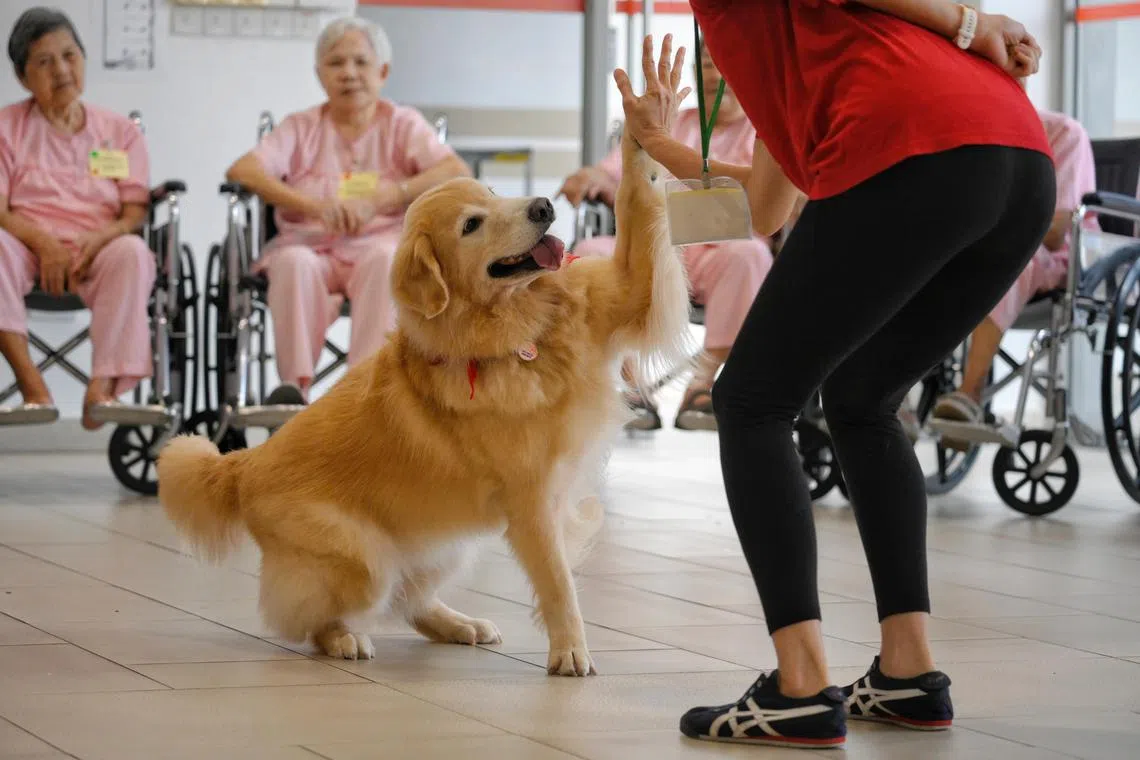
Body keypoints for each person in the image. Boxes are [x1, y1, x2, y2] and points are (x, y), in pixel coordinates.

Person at [614, 0, 1055, 748]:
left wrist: (971, 24)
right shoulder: (788, 41)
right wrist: (658, 143)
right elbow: (762, 205)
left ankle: (800, 685)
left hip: (914, 145)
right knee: (861, 399)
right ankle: (909, 675)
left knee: (751, 399)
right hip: (1012, 159)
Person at [224, 16, 470, 403]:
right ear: (320, 75)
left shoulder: (401, 123)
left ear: (383, 72)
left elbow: (454, 170)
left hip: (378, 244)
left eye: (361, 62)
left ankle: (366, 389)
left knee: (388, 260)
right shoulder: (301, 127)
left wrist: (380, 199)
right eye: (336, 63)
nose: (349, 74)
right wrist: (314, 206)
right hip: (307, 246)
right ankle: (294, 390)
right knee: (292, 264)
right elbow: (244, 170)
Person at [560, 47, 772, 431]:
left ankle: (703, 382)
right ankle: (633, 385)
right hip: (653, 249)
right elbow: (612, 172)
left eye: (726, 63)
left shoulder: (762, 128)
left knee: (750, 255)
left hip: (719, 254)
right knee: (590, 252)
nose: (716, 74)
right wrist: (590, 176)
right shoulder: (672, 122)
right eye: (708, 63)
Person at [0, 7, 154, 430]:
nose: (62, 70)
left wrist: (105, 236)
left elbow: (133, 212)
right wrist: (43, 243)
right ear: (22, 77)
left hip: (97, 248)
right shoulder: (6, 128)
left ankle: (100, 389)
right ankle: (32, 384)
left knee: (133, 252)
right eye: (44, 62)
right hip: (27, 248)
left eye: (70, 56)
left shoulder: (120, 132)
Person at [933, 106, 1097, 447]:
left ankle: (970, 393)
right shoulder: (977, 132)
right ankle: (892, 396)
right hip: (986, 249)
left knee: (1010, 257)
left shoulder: (1065, 133)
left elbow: (1054, 233)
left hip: (1056, 257)